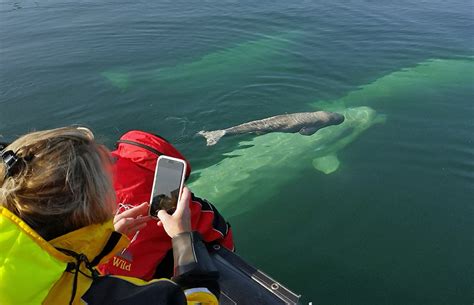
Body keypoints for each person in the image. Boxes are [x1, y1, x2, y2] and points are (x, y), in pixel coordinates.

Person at [0, 127, 219, 305]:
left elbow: (54, 273)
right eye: (108, 183)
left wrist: (102, 244)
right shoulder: (97, 297)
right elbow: (200, 302)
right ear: (89, 208)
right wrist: (184, 239)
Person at [99, 130, 234, 280]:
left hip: (93, 270)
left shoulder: (94, 173)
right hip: (137, 284)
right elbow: (218, 228)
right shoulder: (171, 197)